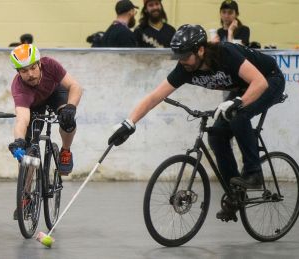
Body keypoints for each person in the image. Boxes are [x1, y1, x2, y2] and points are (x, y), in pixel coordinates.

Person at [108, 24, 285, 221]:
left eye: (185, 56)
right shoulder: (186, 68)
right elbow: (155, 96)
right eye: (179, 56)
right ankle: (235, 194)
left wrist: (237, 102)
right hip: (243, 87)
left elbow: (259, 82)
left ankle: (254, 173)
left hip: (269, 80)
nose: (182, 61)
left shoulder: (225, 53)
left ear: (200, 50)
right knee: (216, 135)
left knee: (238, 115)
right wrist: (129, 123)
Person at [7, 44, 83, 176]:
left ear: (39, 64)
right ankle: (26, 192)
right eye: (24, 71)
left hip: (55, 93)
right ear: (18, 72)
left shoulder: (50, 65)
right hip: (35, 104)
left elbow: (74, 86)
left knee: (68, 120)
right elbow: (22, 119)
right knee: (27, 148)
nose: (30, 74)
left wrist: (71, 107)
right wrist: (18, 141)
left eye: (33, 68)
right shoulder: (19, 88)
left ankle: (65, 151)